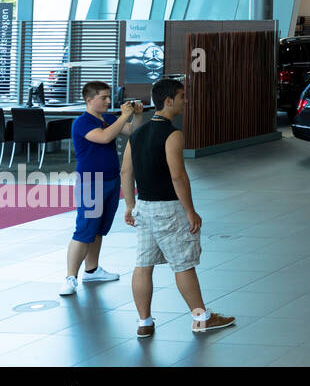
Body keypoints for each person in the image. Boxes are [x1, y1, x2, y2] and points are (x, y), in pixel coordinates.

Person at [121, 79, 234, 338]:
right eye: (182, 96)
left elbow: (126, 171)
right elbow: (178, 176)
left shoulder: (137, 133)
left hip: (144, 207)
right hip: (169, 209)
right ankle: (201, 318)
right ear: (169, 101)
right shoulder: (172, 134)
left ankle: (144, 322)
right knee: (183, 264)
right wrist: (190, 211)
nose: (186, 100)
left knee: (143, 265)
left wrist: (130, 205)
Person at [60, 82, 143, 297]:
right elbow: (105, 137)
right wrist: (124, 116)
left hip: (111, 179)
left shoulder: (109, 118)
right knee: (85, 229)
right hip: (91, 181)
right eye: (104, 98)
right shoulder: (82, 122)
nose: (108, 101)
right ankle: (70, 277)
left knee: (99, 229)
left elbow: (132, 131)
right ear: (89, 100)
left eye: (109, 97)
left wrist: (137, 115)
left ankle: (92, 270)